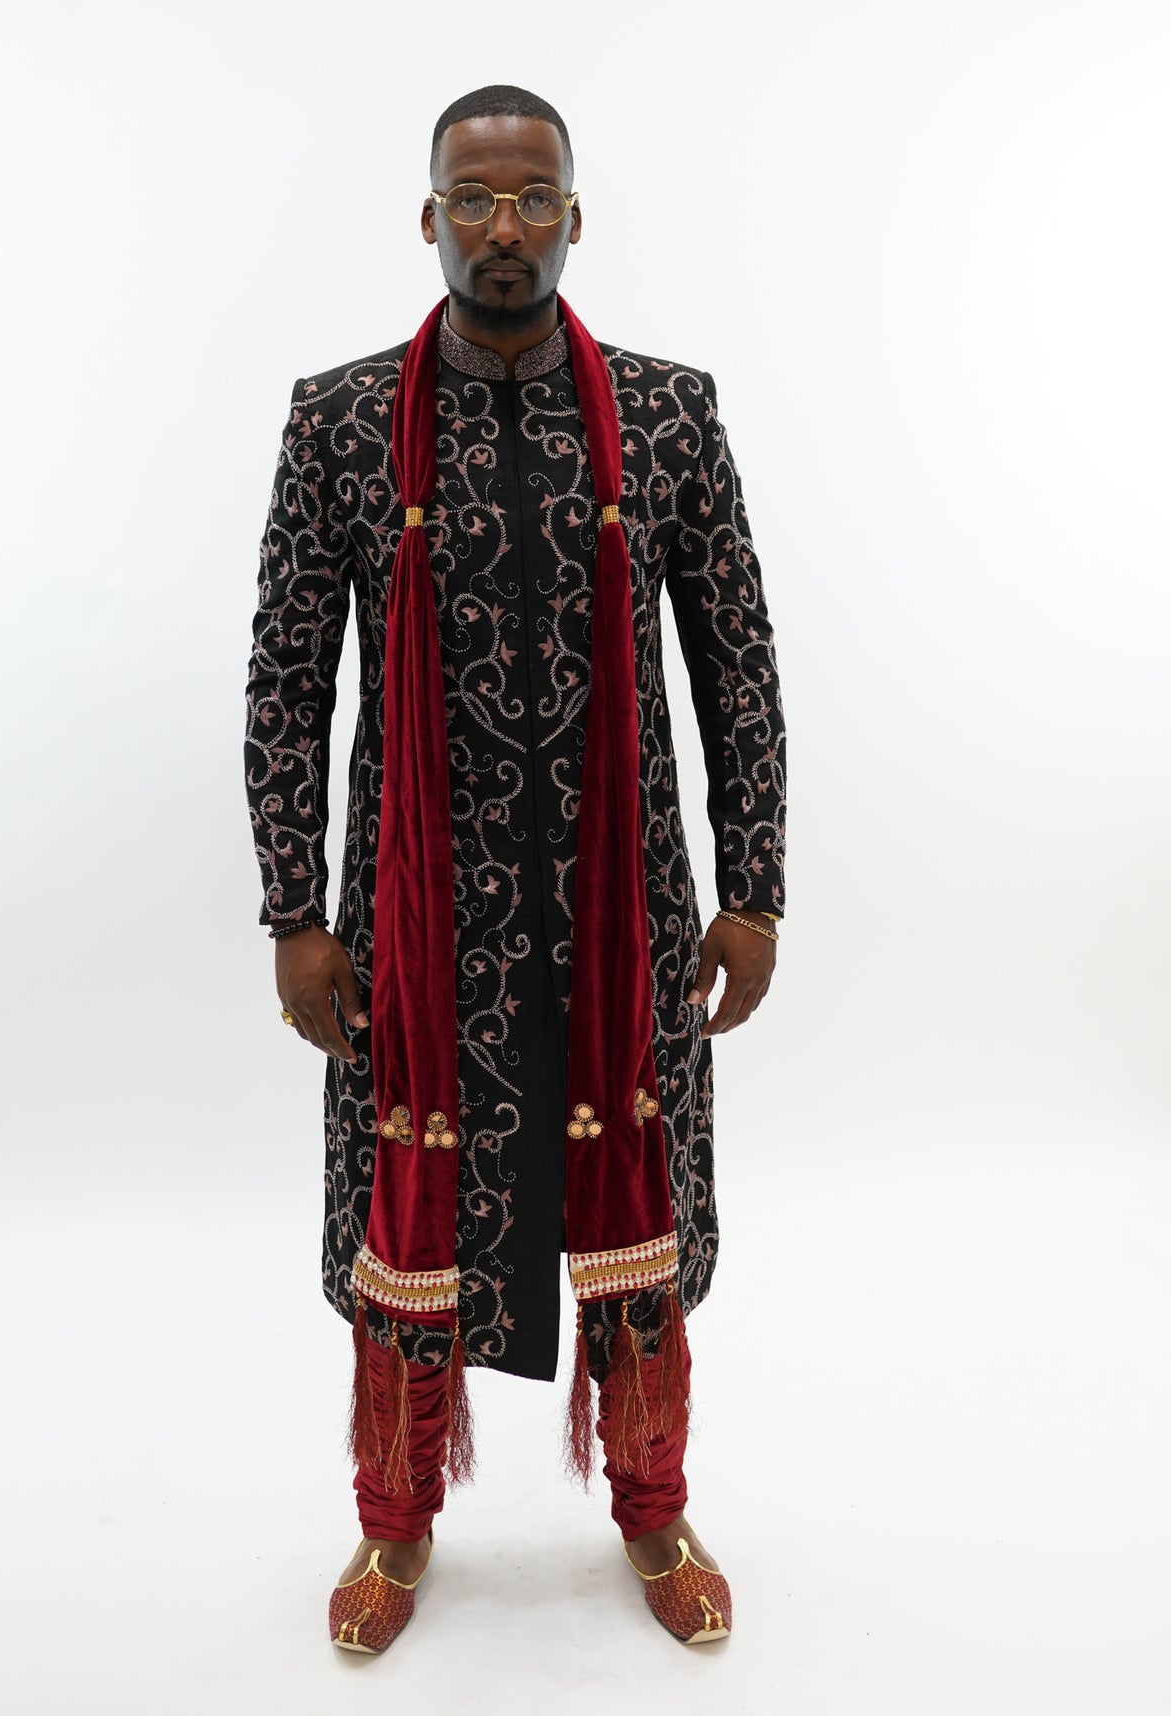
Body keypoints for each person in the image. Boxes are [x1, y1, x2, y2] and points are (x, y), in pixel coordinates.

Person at [244, 84, 787, 1653]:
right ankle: (394, 1522)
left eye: (532, 196)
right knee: (412, 1215)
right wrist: (294, 912)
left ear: (573, 217)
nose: (503, 227)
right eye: (474, 198)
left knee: (633, 1216)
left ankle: (654, 1505)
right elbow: (288, 678)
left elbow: (737, 664)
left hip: (626, 913)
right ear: (429, 218)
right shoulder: (344, 421)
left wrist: (752, 887)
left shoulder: (667, 417)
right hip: (421, 923)